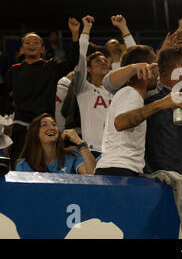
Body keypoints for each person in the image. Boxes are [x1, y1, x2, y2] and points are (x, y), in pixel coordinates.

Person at [95, 45, 182, 177]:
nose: (158, 71)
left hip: (122, 170)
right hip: (118, 170)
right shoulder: (130, 93)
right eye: (155, 65)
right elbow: (120, 123)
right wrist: (160, 104)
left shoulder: (135, 96)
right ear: (144, 69)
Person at [5, 19, 80, 168]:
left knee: (44, 168)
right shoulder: (13, 70)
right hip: (20, 130)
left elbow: (72, 61)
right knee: (17, 169)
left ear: (42, 49)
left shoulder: (51, 67)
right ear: (21, 49)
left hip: (44, 129)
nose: (31, 45)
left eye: (35, 42)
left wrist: (75, 34)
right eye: (27, 42)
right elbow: (6, 97)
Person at [73, 16, 114, 158]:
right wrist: (86, 30)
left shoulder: (117, 93)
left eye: (105, 61)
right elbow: (80, 57)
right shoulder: (84, 88)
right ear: (88, 69)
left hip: (115, 150)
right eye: (97, 61)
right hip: (93, 150)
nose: (103, 63)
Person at [15, 113, 96, 174]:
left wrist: (80, 142)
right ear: (35, 134)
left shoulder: (72, 156)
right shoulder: (24, 165)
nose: (51, 128)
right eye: (44, 125)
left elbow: (92, 175)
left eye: (54, 124)